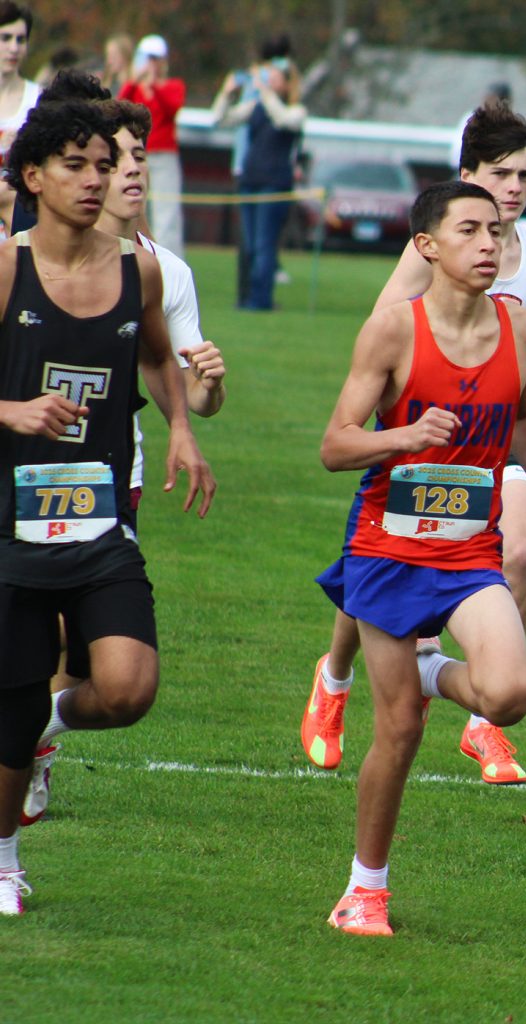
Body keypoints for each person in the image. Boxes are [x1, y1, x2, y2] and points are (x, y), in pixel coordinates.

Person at [301, 101, 526, 784]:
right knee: (370, 588)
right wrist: (414, 394)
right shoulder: (435, 242)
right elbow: (388, 325)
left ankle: (483, 722)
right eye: (502, 173)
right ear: (467, 174)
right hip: (420, 438)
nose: (516, 188)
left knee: (520, 554)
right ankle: (337, 675)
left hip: (494, 441)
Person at [316, 180, 526, 935]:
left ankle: (426, 668)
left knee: (510, 695)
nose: (489, 243)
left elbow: (522, 419)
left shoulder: (520, 331)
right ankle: (365, 890)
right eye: (469, 230)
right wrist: (403, 436)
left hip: (468, 553)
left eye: (495, 230)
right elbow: (335, 445)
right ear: (427, 246)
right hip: (388, 550)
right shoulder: (392, 331)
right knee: (399, 731)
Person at [0, 98, 214, 915]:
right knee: (8, 720)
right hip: (10, 529)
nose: (97, 181)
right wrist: (11, 411)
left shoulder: (139, 268)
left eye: (104, 165)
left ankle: (53, 718)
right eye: (77, 166)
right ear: (33, 177)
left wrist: (183, 431)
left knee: (127, 689)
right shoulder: (7, 268)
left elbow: (159, 357)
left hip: (98, 525)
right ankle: (4, 857)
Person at [211, 57, 305, 310]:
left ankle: (260, 300)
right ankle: (248, 297)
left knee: (264, 244)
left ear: (287, 84)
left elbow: (283, 120)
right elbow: (220, 120)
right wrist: (227, 94)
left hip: (274, 185)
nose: (268, 82)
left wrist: (264, 92)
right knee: (250, 245)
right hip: (250, 182)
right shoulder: (255, 106)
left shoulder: (295, 110)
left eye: (274, 78)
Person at [118, 35, 185, 258]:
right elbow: (118, 109)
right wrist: (133, 81)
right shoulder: (133, 88)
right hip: (136, 156)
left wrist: (154, 84)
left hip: (164, 156)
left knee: (167, 216)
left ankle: (169, 264)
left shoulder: (173, 86)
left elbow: (171, 108)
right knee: (137, 210)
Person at [0, 2, 39, 235]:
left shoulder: (38, 98)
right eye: (5, 38)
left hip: (21, 219)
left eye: (20, 39)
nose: (14, 48)